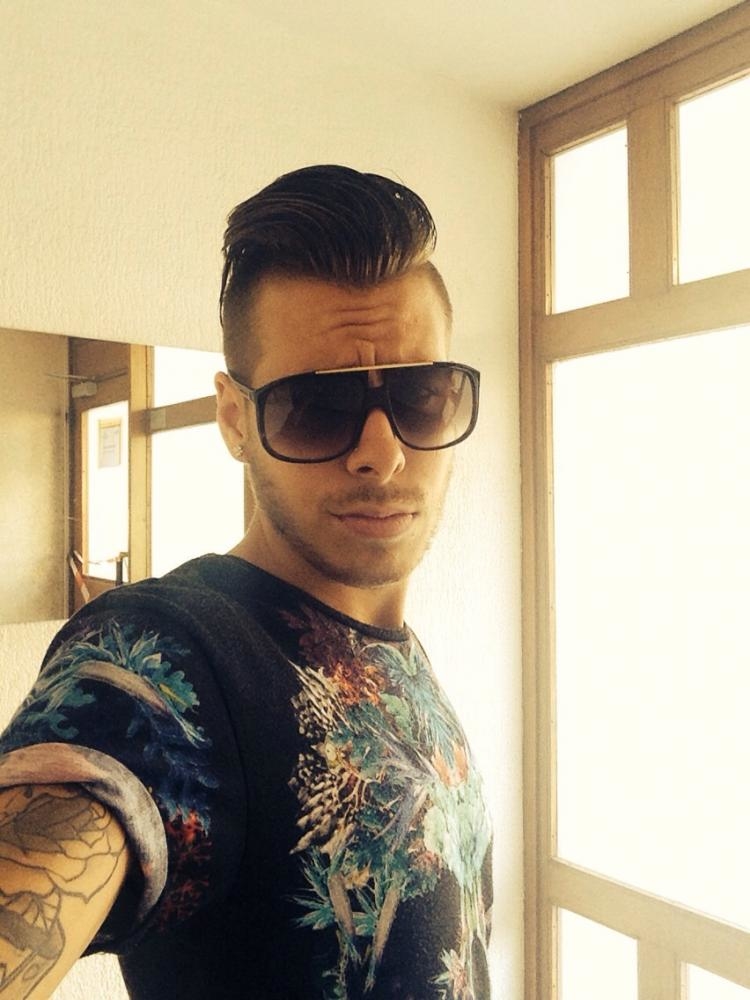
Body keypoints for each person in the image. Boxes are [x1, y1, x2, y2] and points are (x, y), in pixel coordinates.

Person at [0, 165, 493, 999]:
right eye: (315, 409)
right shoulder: (171, 652)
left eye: (420, 396)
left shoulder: (400, 652)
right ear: (235, 420)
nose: (383, 454)